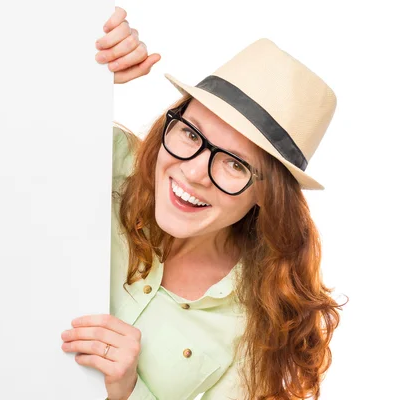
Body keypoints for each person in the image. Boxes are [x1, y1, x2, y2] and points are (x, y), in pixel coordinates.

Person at [61, 6, 345, 400]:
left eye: (234, 164)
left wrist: (128, 392)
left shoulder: (257, 326)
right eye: (192, 134)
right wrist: (78, 66)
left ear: (267, 193)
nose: (194, 173)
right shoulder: (107, 162)